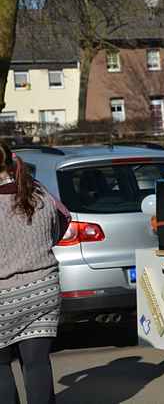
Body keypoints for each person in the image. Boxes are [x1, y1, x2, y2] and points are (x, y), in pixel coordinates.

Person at [0, 142, 70, 404]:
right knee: (37, 363)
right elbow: (64, 220)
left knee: (1, 365)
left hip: (4, 295)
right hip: (44, 288)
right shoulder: (38, 191)